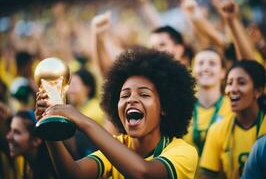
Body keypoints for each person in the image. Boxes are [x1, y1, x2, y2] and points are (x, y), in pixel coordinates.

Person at [35, 47, 198, 179]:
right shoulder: (116, 146)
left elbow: (143, 173)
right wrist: (49, 126)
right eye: (124, 95)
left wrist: (84, 121)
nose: (131, 100)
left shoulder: (183, 152)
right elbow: (73, 174)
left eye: (144, 94)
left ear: (165, 107)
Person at [199, 60, 266, 179]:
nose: (232, 89)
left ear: (258, 91)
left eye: (241, 83)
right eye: (229, 83)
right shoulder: (217, 130)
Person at [184, 48, 231, 156]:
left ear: (223, 72)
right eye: (200, 63)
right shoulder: (182, 106)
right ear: (193, 70)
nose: (205, 68)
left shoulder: (233, 107)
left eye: (212, 63)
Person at [6, 111, 57, 179]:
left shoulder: (53, 173)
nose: (8, 137)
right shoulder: (26, 168)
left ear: (36, 140)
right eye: (11, 130)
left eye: (17, 132)